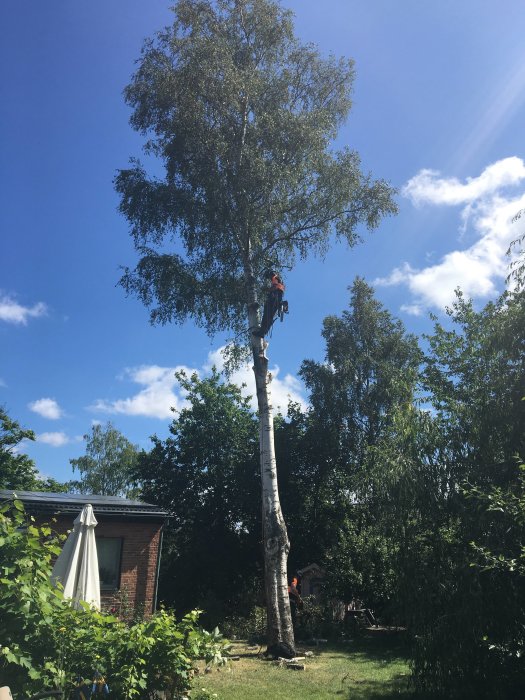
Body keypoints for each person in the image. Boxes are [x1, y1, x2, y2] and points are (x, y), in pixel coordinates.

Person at [253, 270, 286, 337]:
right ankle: (263, 332)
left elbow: (275, 287)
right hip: (278, 298)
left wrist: (266, 289)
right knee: (270, 316)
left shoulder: (274, 277)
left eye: (268, 277)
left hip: (274, 297)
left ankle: (262, 332)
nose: (269, 278)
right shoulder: (279, 280)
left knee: (267, 314)